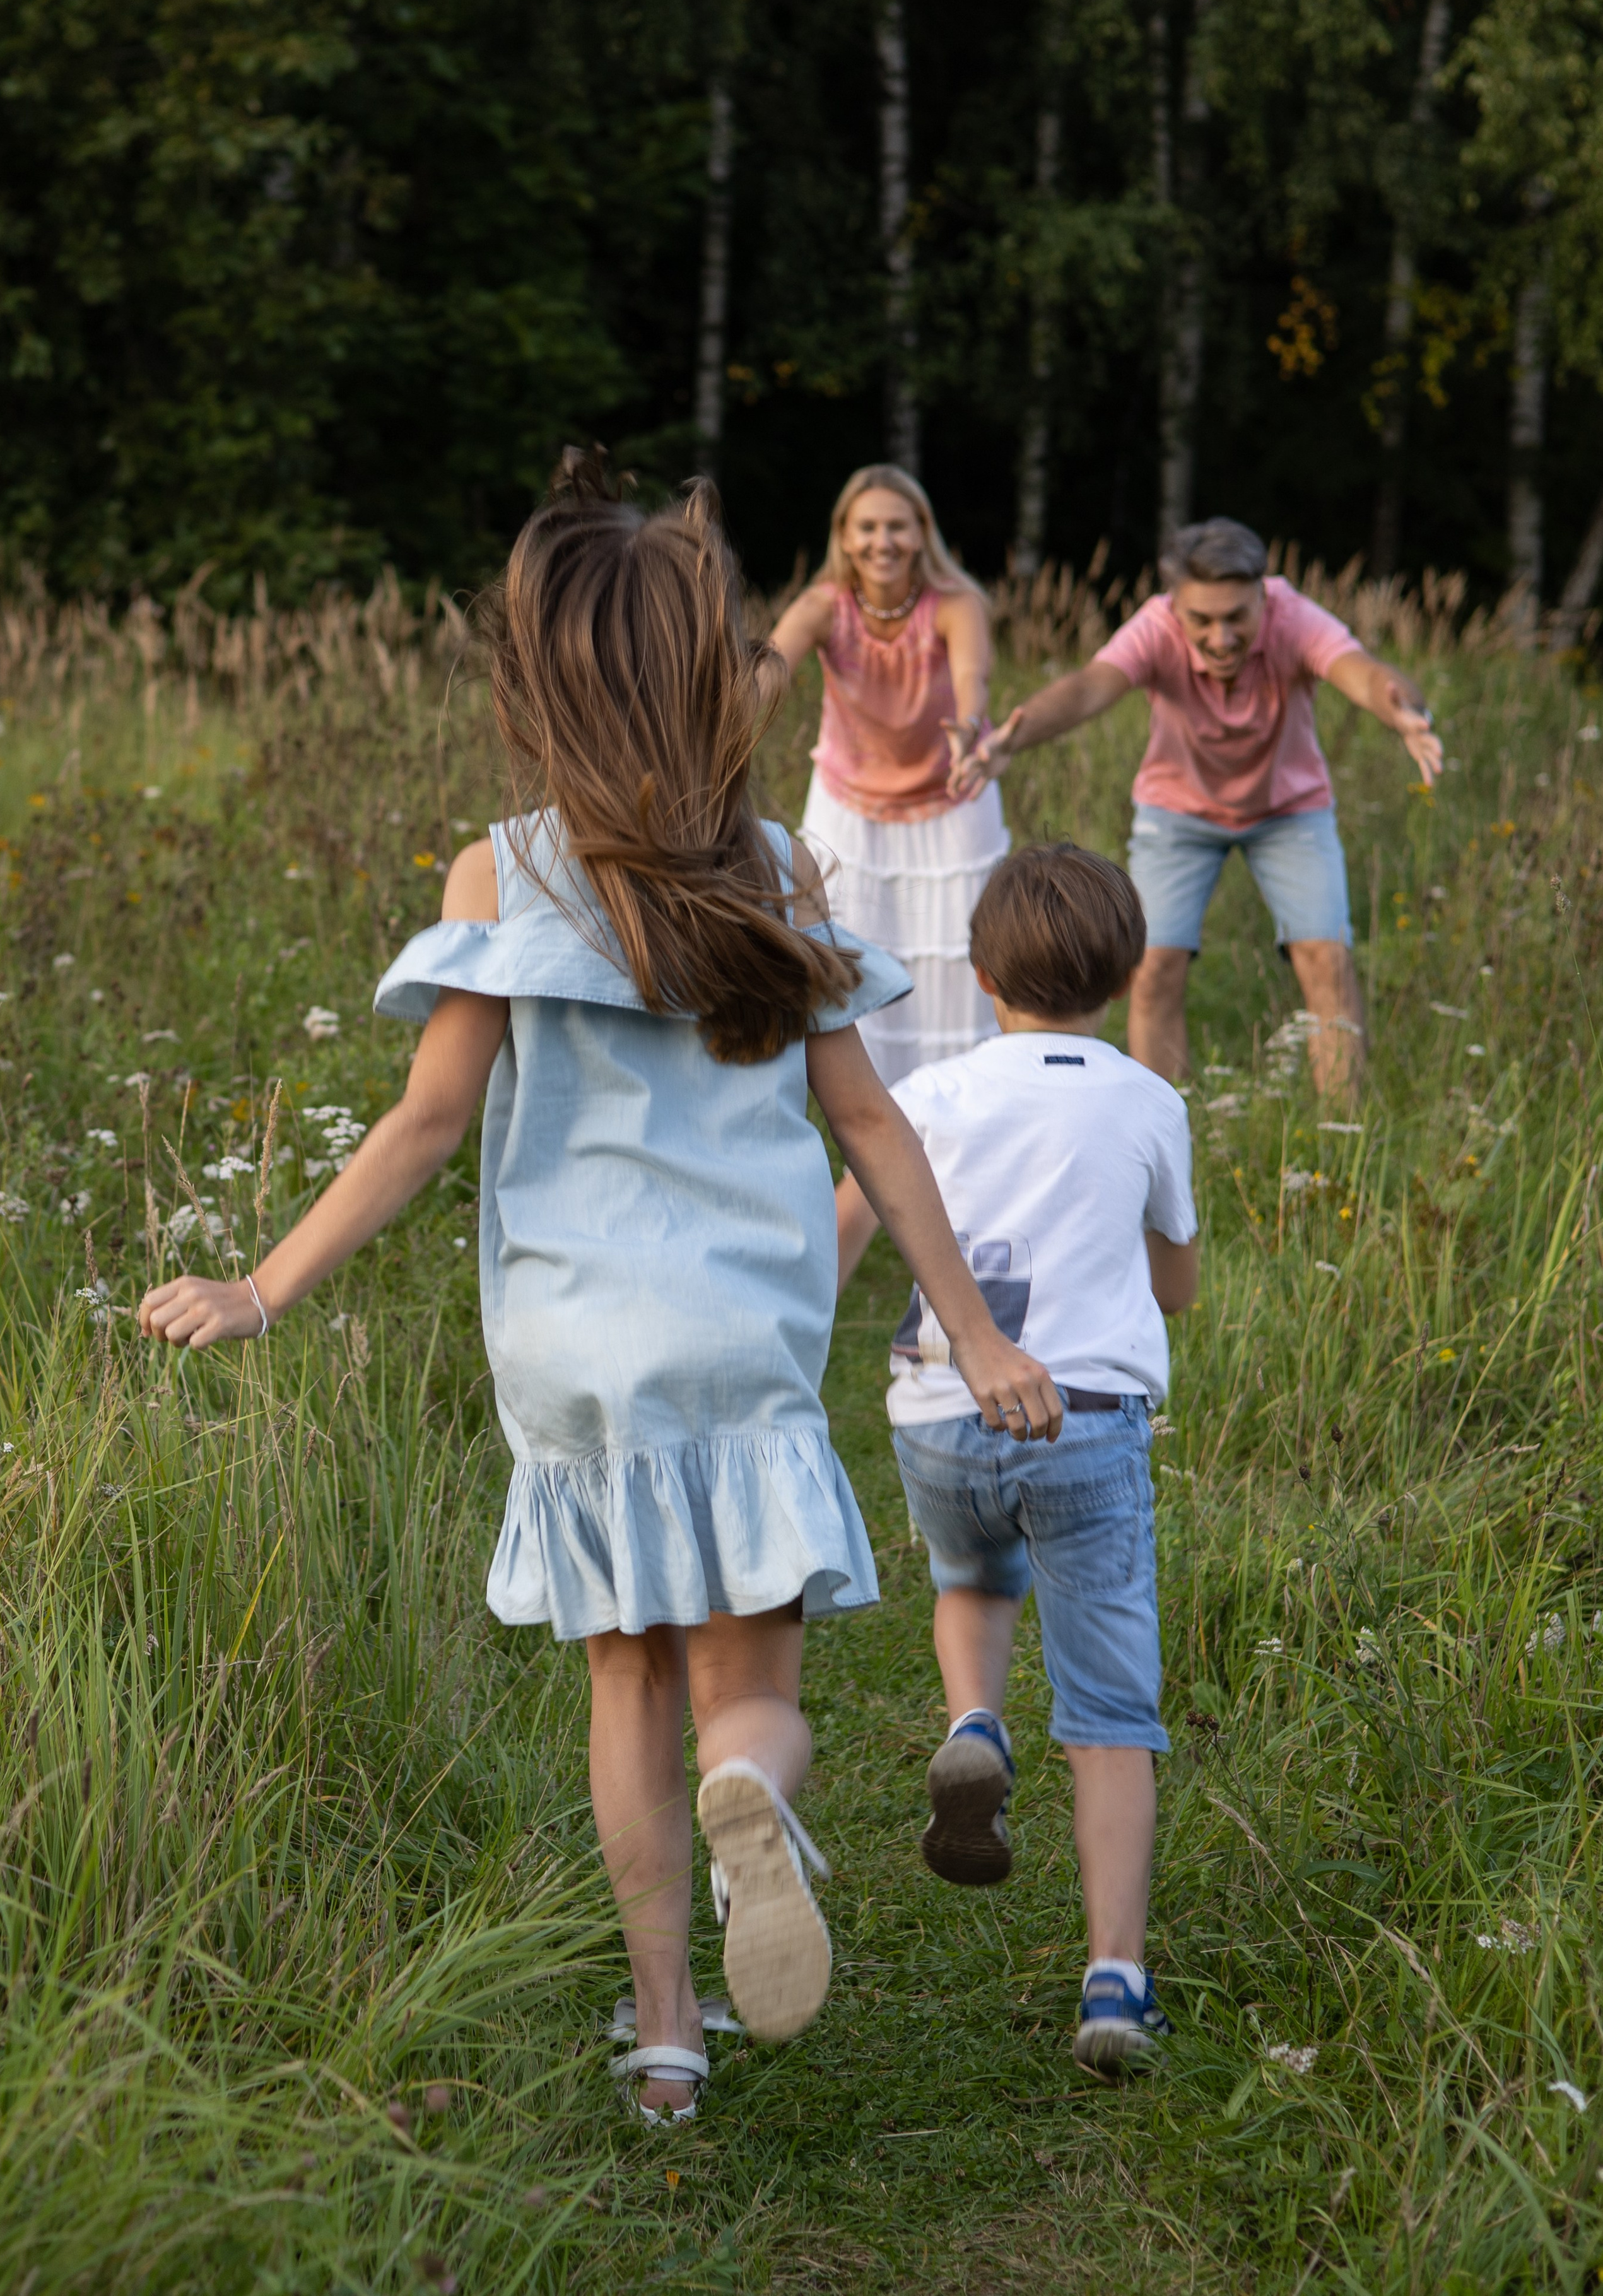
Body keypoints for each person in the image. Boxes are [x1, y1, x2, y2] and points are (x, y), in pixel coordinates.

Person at [138, 457, 1062, 2128]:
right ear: (714, 681)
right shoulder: (777, 869)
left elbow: (427, 1125)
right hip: (740, 1342)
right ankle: (751, 1800)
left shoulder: (502, 875)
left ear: (546, 684)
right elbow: (874, 1128)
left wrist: (264, 1288)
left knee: (624, 1680)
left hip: (573, 1355)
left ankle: (665, 2037)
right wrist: (979, 1338)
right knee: (752, 1697)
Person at [833, 842, 1198, 2078]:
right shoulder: (1146, 1099)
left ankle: (974, 1721)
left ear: (981, 972)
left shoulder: (927, 1094)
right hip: (1086, 1428)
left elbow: (839, 1234)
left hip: (940, 1416)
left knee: (973, 1580)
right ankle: (1113, 1982)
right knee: (1108, 1717)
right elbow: (1176, 1285)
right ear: (1122, 969)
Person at [954, 517, 1444, 1096]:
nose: (1220, 636)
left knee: (1326, 957)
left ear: (1263, 597)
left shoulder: (1294, 617)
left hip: (1290, 811)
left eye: (1236, 617)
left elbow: (1359, 673)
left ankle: (1343, 1128)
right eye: (1201, 620)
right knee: (1153, 967)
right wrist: (1016, 735)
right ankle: (1164, 1117)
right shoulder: (1155, 627)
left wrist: (1401, 709)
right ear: (1174, 605)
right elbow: (1091, 686)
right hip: (1177, 814)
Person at [770, 464, 1007, 1085]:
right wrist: (731, 709)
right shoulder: (824, 606)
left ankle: (956, 1102)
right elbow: (771, 665)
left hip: (952, 798)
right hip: (848, 806)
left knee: (956, 959)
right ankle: (869, 1111)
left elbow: (970, 677)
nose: (883, 541)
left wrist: (968, 724)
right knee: (848, 954)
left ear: (921, 531)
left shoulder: (957, 603)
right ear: (844, 537)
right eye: (868, 527)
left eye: (897, 526)